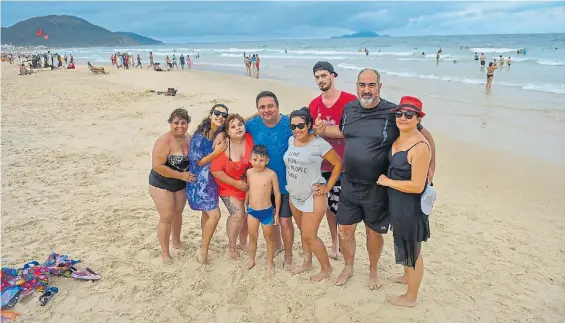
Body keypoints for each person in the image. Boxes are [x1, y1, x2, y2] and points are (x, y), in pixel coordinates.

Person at [316, 68, 435, 289]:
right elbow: (344, 131)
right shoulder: (350, 108)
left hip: (376, 187)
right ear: (357, 87)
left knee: (373, 232)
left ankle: (373, 270)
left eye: (371, 85)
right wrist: (323, 129)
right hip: (349, 183)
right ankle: (349, 266)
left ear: (379, 86)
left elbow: (424, 135)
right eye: (362, 85)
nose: (366, 89)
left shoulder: (393, 112)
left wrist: (431, 165)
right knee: (345, 229)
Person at [377, 96, 431, 307]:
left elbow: (417, 186)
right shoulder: (399, 138)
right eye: (399, 113)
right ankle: (408, 276)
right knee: (402, 240)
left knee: (412, 248)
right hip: (397, 202)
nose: (403, 118)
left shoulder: (419, 146)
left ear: (418, 118)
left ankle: (411, 297)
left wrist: (387, 181)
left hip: (411, 205)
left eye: (409, 114)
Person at [285, 108, 343, 282]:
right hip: (294, 194)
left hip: (314, 196)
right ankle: (307, 262)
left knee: (310, 235)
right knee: (304, 232)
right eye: (293, 126)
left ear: (309, 124)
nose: (297, 130)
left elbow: (338, 164)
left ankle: (327, 268)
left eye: (301, 125)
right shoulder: (291, 140)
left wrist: (327, 187)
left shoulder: (319, 143)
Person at [309, 61, 357, 259]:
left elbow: (354, 130)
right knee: (330, 207)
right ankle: (334, 242)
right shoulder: (314, 104)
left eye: (324, 76)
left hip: (349, 163)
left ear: (333, 76)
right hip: (323, 165)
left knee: (346, 206)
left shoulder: (349, 100)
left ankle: (346, 240)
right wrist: (315, 131)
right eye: (317, 77)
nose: (321, 80)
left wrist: (326, 130)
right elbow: (310, 132)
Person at [245, 91, 294, 269]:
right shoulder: (252, 124)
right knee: (271, 218)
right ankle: (278, 246)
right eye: (262, 107)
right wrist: (255, 113)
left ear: (278, 107)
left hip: (286, 182)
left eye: (270, 106)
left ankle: (288, 255)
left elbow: (308, 133)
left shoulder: (289, 123)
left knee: (285, 221)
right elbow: (232, 123)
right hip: (262, 185)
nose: (267, 110)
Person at [149, 109, 196, 262]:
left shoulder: (190, 138)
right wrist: (181, 175)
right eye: (176, 123)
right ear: (170, 123)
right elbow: (157, 166)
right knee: (166, 216)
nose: (180, 126)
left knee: (178, 213)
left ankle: (176, 241)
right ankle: (165, 253)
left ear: (187, 123)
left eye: (183, 123)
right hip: (161, 183)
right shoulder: (164, 141)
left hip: (181, 184)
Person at [187, 104, 229, 264]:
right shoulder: (198, 137)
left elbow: (239, 121)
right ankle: (203, 250)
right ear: (210, 115)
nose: (220, 116)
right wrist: (216, 152)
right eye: (217, 113)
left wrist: (255, 112)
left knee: (207, 214)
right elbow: (199, 162)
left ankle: (204, 245)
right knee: (215, 214)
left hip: (211, 182)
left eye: (224, 115)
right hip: (198, 183)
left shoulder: (219, 132)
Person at [210, 114, 253, 259]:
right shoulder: (224, 145)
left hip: (248, 186)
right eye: (233, 127)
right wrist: (236, 184)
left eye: (240, 124)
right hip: (228, 185)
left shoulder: (249, 138)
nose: (238, 128)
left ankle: (243, 242)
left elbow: (251, 118)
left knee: (249, 214)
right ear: (227, 131)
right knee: (237, 215)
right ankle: (232, 246)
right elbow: (215, 170)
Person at [244, 144, 280, 274]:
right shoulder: (249, 172)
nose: (258, 163)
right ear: (250, 159)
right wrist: (245, 202)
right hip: (252, 211)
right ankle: (252, 259)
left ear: (267, 160)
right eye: (254, 160)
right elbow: (248, 189)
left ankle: (270, 263)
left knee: (269, 238)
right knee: (252, 236)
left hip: (267, 212)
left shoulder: (271, 174)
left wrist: (276, 213)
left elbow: (277, 194)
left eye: (261, 160)